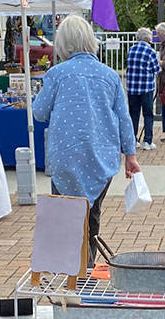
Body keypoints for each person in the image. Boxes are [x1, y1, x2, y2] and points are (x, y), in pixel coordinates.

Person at [31, 14, 140, 246]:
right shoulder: (110, 76)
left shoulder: (57, 74)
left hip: (65, 156)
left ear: (62, 43)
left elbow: (39, 112)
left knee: (67, 218)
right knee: (92, 215)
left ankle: (74, 270)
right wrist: (130, 155)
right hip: (101, 157)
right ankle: (87, 267)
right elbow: (124, 119)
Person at [125, 27, 161, 151]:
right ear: (148, 39)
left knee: (133, 114)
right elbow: (156, 69)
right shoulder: (150, 51)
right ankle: (148, 141)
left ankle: (133, 140)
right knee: (148, 114)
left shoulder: (131, 50)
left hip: (132, 88)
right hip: (146, 88)